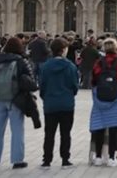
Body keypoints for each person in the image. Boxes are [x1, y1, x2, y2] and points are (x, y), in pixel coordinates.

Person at [0, 37, 37, 170]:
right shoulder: (21, 61)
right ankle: (17, 160)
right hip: (16, 99)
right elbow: (30, 81)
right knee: (17, 129)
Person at [89, 38, 117, 167]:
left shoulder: (98, 63)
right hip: (116, 98)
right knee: (114, 129)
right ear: (116, 48)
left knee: (100, 128)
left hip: (100, 99)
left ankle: (98, 157)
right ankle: (112, 157)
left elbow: (93, 80)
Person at [38, 37, 78, 168]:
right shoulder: (71, 66)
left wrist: (46, 97)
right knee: (65, 133)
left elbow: (42, 85)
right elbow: (74, 85)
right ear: (63, 50)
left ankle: (47, 160)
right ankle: (65, 159)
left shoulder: (45, 67)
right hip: (66, 104)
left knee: (49, 133)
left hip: (50, 104)